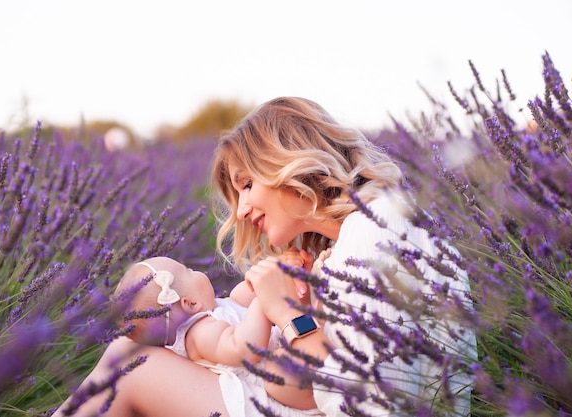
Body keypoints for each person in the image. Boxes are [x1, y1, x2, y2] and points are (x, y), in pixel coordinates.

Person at [53, 96, 476, 417]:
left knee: (130, 363)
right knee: (123, 355)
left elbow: (369, 404)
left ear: (287, 165)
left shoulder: (373, 232)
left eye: (246, 184)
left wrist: (285, 311)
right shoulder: (362, 233)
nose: (239, 211)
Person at [53, 253, 324, 417]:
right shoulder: (201, 333)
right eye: (190, 271)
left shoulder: (215, 312)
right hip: (264, 394)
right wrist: (266, 301)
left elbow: (239, 298)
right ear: (191, 304)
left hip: (294, 379)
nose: (198, 271)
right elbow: (245, 347)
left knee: (121, 353)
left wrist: (265, 279)